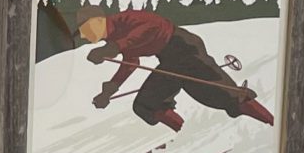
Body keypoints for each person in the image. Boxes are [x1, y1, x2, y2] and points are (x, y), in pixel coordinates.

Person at [76, 7, 273, 130]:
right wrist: (109, 90)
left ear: (97, 21)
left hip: (183, 47)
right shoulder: (115, 37)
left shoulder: (126, 19)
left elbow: (153, 27)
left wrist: (114, 47)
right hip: (169, 59)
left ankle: (272, 124)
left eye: (84, 30)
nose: (84, 36)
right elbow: (131, 62)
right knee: (146, 104)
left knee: (222, 94)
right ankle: (184, 136)